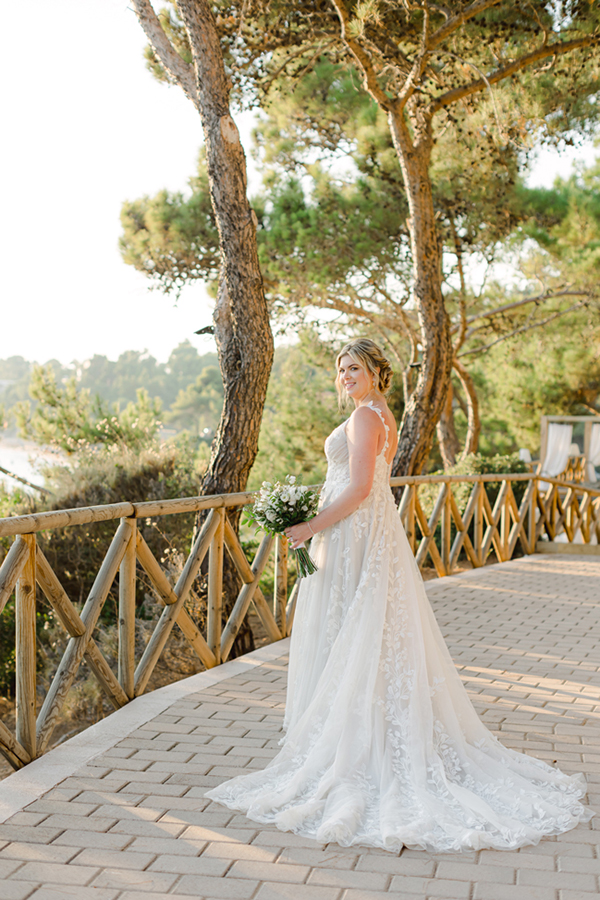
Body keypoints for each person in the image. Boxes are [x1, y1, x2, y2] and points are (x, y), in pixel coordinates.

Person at [205, 338, 593, 853]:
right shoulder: (380, 413)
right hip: (366, 534)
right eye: (341, 368)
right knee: (369, 637)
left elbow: (361, 486)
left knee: (356, 632)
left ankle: (359, 749)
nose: (345, 375)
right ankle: (372, 730)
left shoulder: (366, 418)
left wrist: (309, 527)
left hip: (355, 532)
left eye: (355, 368)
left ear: (375, 372)